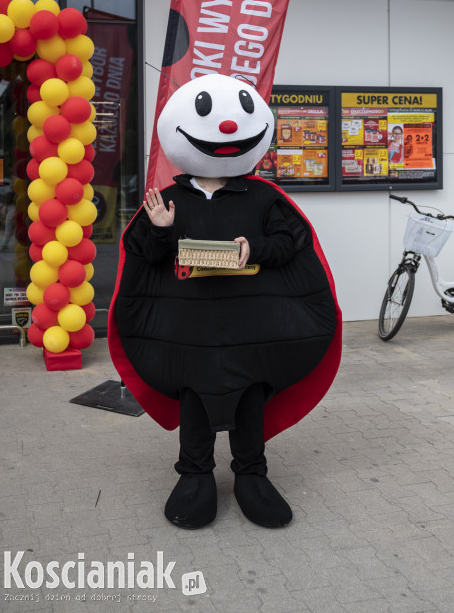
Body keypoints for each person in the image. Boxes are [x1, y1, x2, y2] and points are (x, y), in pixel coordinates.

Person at [108, 75, 341, 530]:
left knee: (250, 398)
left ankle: (252, 475)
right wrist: (159, 228)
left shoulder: (265, 197)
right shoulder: (166, 200)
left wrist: (252, 249)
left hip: (251, 329)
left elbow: (291, 244)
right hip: (188, 333)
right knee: (194, 399)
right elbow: (144, 261)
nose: (231, 128)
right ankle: (195, 476)